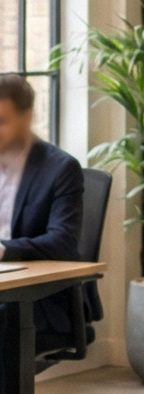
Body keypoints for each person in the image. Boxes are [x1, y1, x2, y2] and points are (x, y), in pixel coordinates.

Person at [0, 73, 84, 350]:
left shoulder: (60, 169)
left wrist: (2, 249)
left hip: (40, 298)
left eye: (2, 121)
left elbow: (62, 242)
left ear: (27, 117)